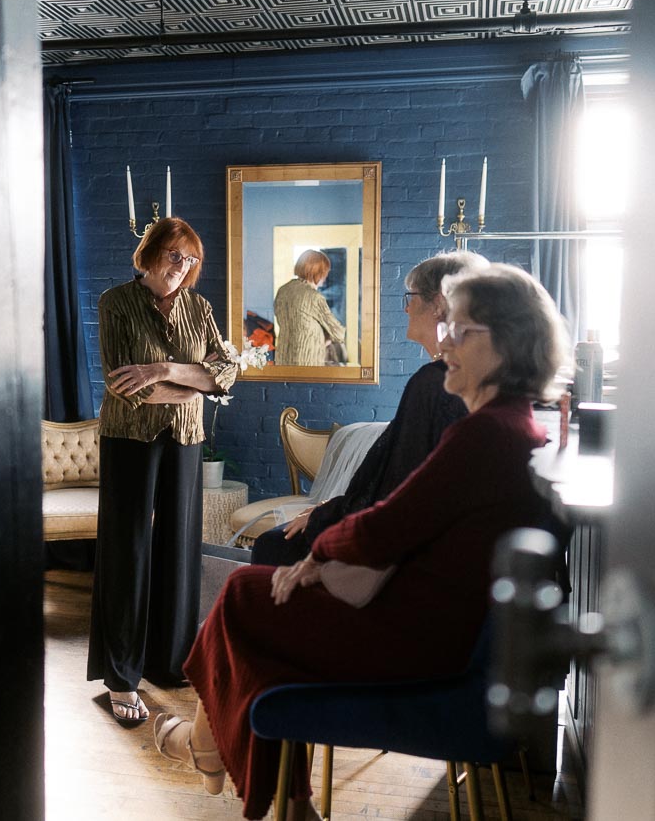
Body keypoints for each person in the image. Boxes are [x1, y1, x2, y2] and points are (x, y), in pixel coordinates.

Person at [153, 264, 569, 819]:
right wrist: (325, 555)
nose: (446, 340)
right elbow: (401, 517)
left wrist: (319, 556)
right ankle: (274, 791)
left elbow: (390, 522)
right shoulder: (518, 426)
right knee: (262, 602)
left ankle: (217, 755)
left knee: (245, 595)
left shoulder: (485, 433)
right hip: (444, 629)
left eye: (461, 329)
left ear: (506, 343)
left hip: (422, 642)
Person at [87, 217, 238, 726]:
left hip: (186, 439)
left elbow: (226, 373)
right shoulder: (115, 302)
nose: (182, 266)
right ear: (151, 253)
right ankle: (120, 676)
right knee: (127, 549)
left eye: (190, 259)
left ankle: (171, 663)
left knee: (179, 549)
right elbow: (124, 385)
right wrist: (195, 384)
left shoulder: (200, 307)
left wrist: (163, 369)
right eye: (175, 255)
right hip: (129, 437)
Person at [249, 250, 490, 568]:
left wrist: (327, 514)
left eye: (411, 297)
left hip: (406, 546)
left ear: (438, 304)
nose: (406, 307)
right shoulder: (466, 375)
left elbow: (398, 491)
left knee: (272, 544)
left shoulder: (436, 383)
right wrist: (334, 507)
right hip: (434, 532)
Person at [272, 249, 345, 366]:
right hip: (307, 363)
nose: (326, 276)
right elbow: (338, 333)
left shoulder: (282, 291)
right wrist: (326, 337)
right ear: (318, 272)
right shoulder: (314, 297)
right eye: (325, 272)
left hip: (283, 359)